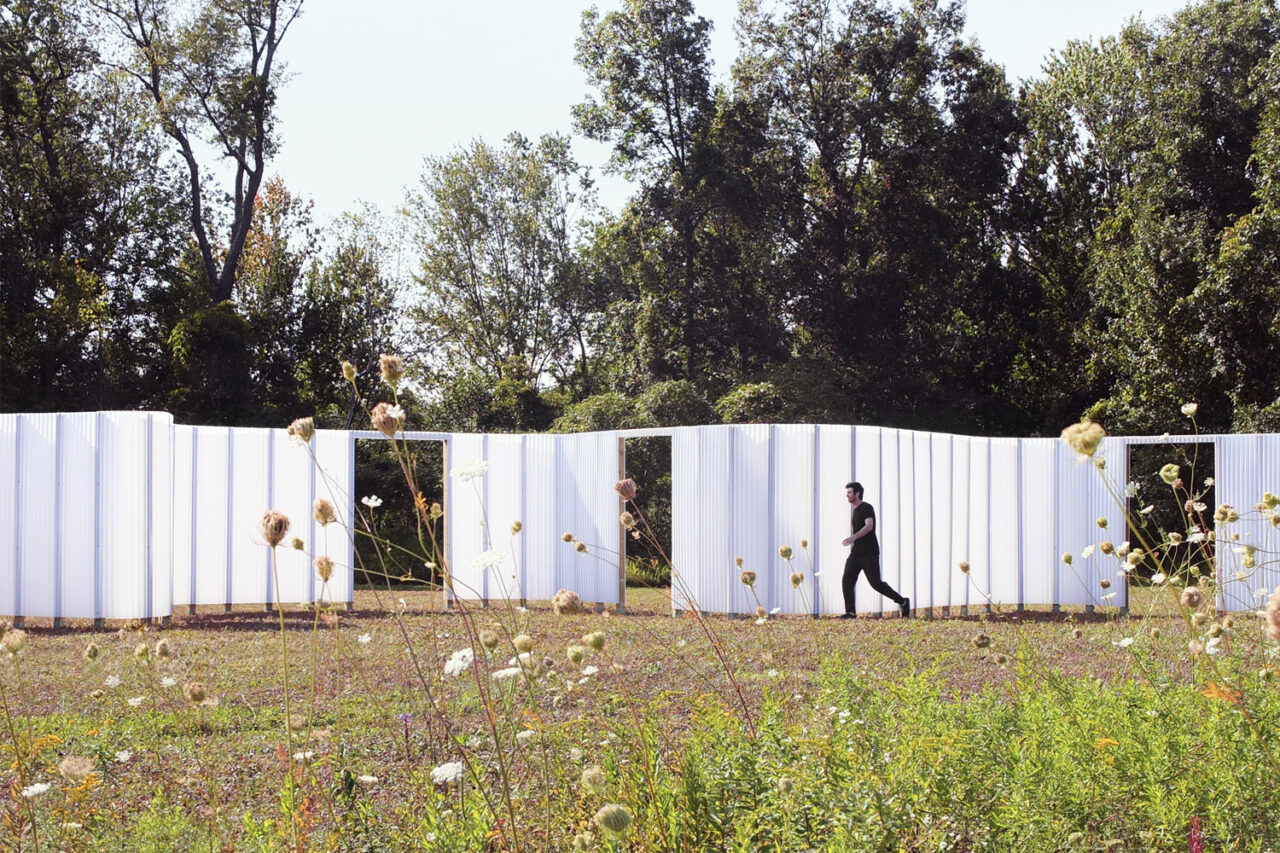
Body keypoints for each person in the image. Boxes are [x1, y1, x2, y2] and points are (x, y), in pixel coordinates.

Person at [840, 481, 910, 619]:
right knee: (847, 580)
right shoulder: (855, 510)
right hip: (856, 553)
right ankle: (850, 612)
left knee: (876, 584)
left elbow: (869, 526)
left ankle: (903, 601)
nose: (846, 495)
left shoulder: (866, 507)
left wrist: (853, 537)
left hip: (868, 553)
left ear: (857, 494)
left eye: (849, 492)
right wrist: (854, 541)